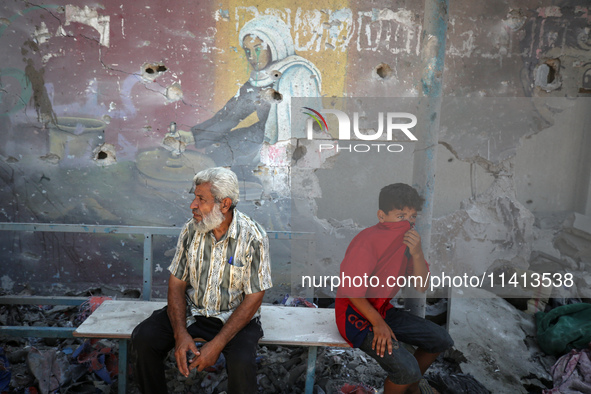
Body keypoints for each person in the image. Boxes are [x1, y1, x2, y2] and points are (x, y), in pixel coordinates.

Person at [131, 167, 272, 394]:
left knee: (242, 362)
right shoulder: (190, 230)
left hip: (233, 315)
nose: (192, 205)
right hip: (193, 310)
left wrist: (216, 344)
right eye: (194, 197)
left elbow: (255, 297)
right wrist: (180, 333)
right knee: (143, 338)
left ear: (224, 204)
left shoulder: (253, 237)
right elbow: (176, 284)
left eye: (201, 199)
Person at [335, 183, 453, 394]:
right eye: (400, 216)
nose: (408, 223)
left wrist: (416, 253)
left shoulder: (408, 244)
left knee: (440, 339)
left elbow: (421, 285)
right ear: (382, 216)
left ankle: (411, 387)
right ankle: (408, 381)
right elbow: (352, 292)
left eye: (413, 217)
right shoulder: (367, 241)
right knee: (406, 369)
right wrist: (378, 323)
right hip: (354, 316)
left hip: (381, 310)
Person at [190, 15, 321, 172]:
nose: (252, 57)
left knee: (244, 164)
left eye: (258, 49)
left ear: (274, 45)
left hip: (293, 145)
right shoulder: (260, 79)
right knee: (218, 149)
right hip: (263, 133)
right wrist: (195, 136)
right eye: (247, 51)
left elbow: (300, 126)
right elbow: (232, 113)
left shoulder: (298, 74)